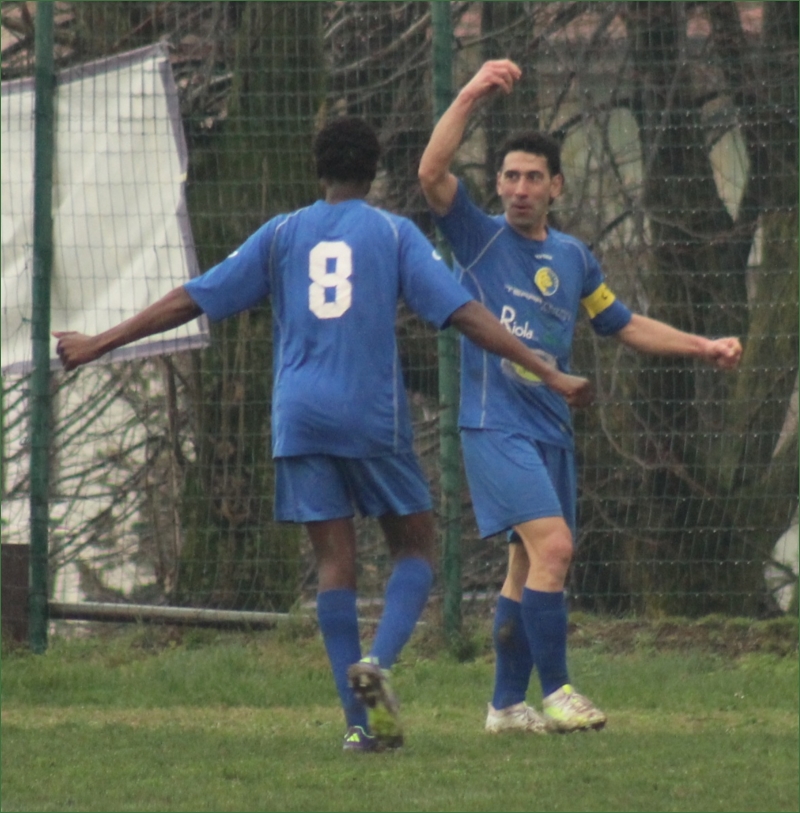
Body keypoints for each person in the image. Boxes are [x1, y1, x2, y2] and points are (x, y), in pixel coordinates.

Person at [54, 116, 592, 752]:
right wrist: (545, 370)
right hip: (370, 414)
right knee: (415, 549)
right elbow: (466, 314)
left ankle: (366, 725)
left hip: (299, 418)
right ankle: (378, 663)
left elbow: (192, 298)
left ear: (319, 171)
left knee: (335, 564)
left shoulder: (282, 233)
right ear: (373, 171)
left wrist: (100, 342)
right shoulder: (392, 233)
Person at [418, 60, 743, 735]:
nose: (520, 188)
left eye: (534, 177)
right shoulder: (478, 237)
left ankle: (505, 707)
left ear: (556, 186)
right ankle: (559, 690)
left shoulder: (572, 257)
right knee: (557, 548)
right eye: (510, 176)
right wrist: (471, 92)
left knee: (526, 566)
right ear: (498, 184)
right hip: (494, 423)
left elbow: (621, 323)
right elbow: (430, 172)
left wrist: (702, 345)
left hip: (551, 428)